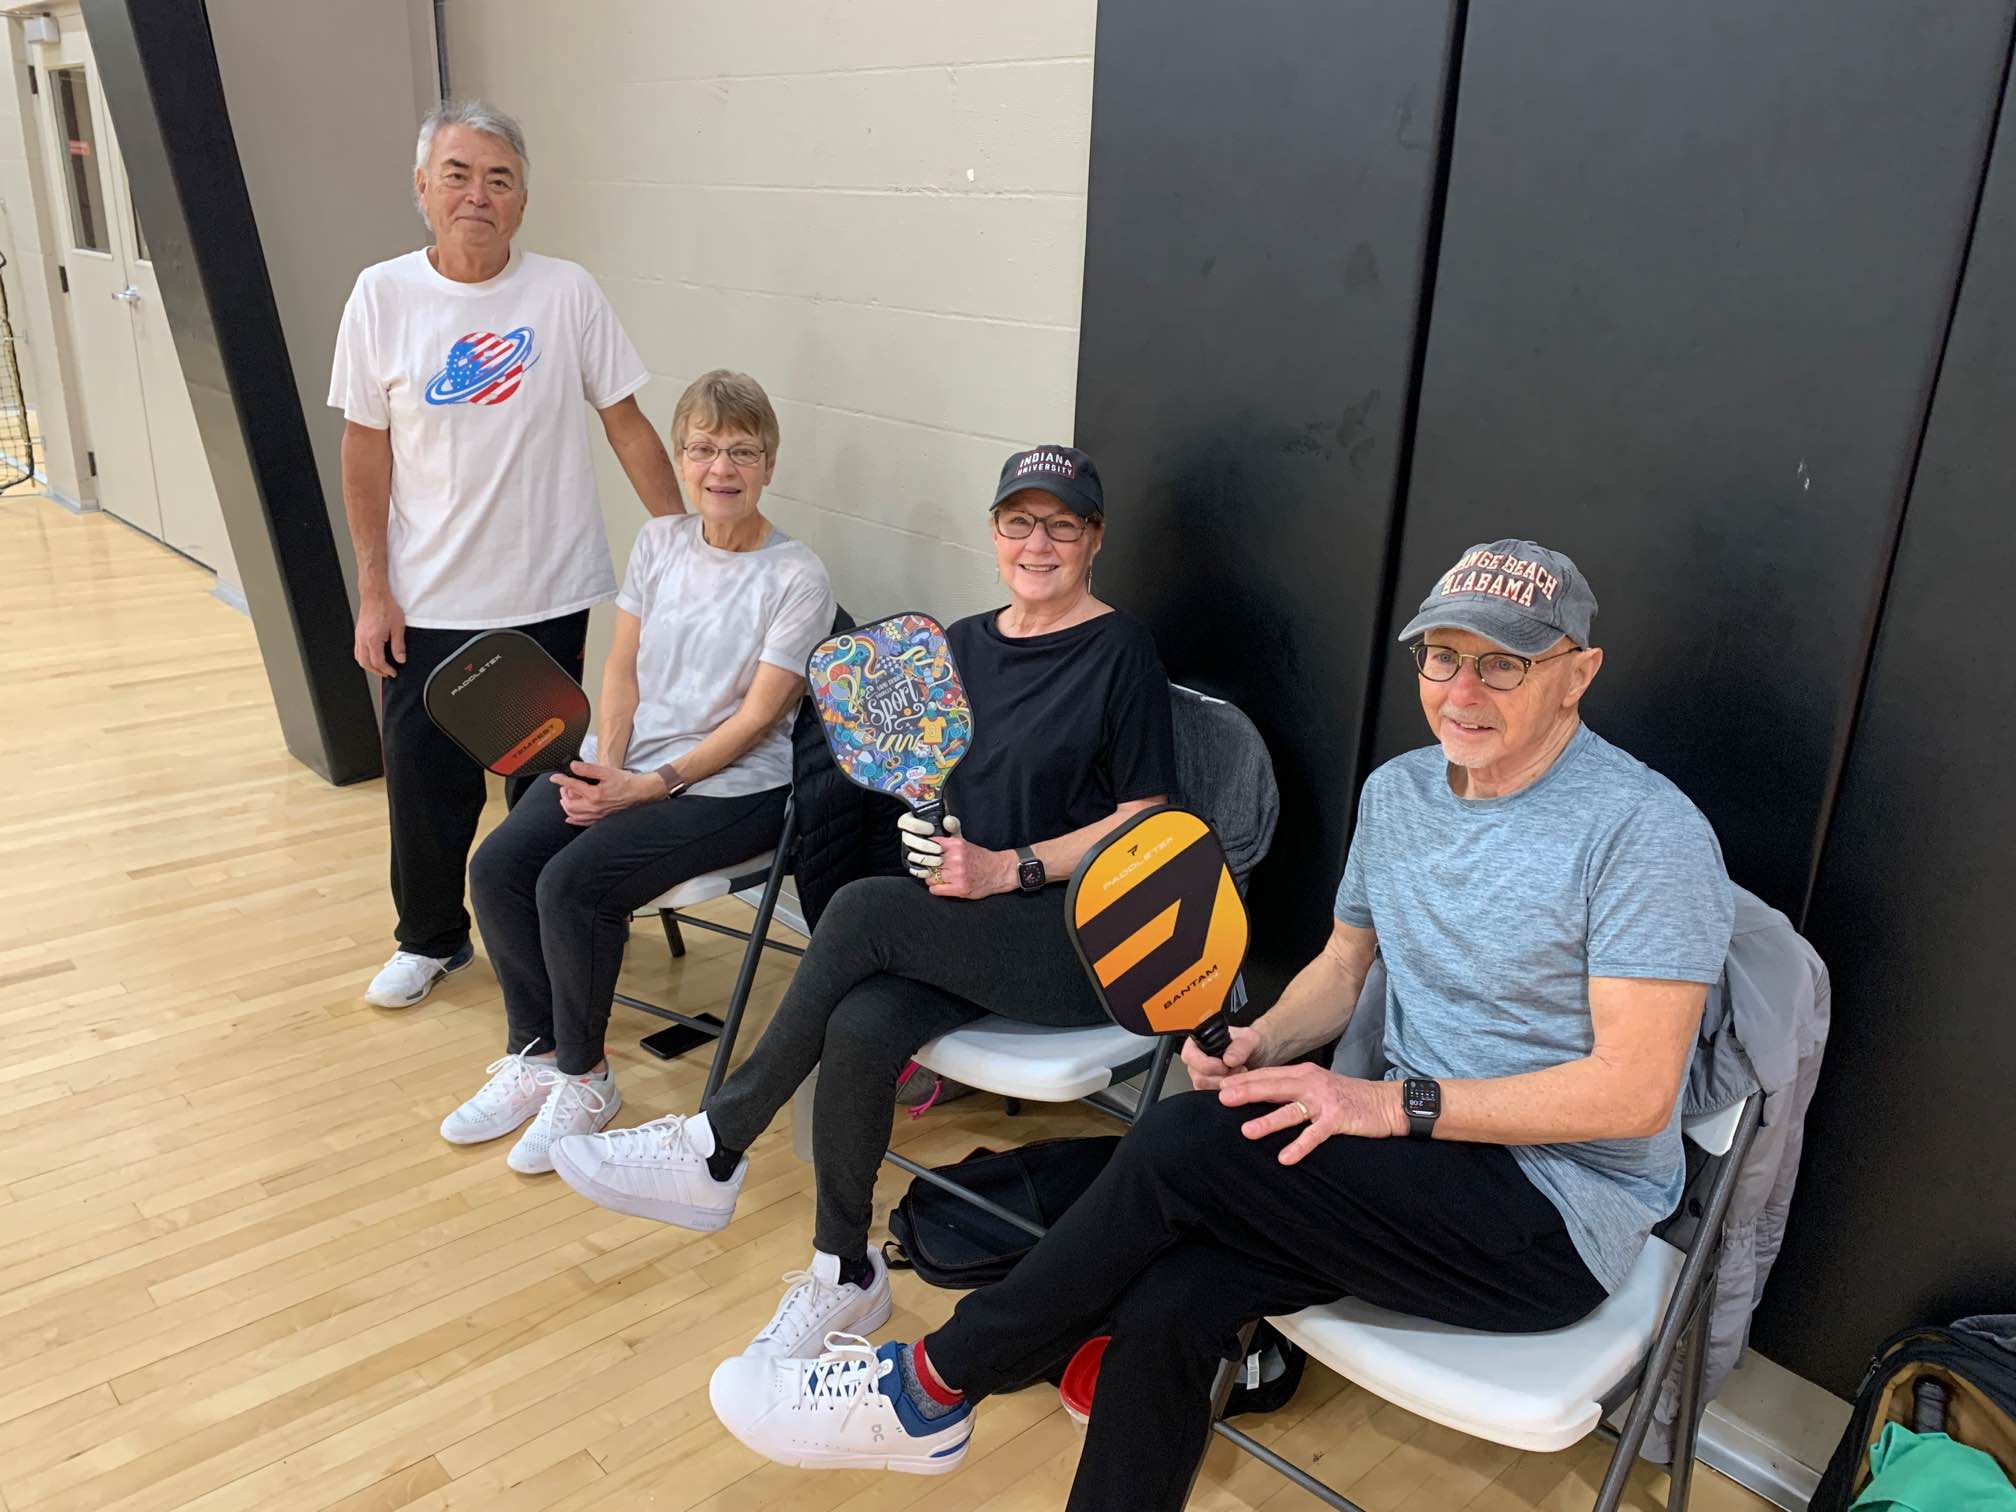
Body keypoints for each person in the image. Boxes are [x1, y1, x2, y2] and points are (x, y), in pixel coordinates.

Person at [706, 538, 1737, 1509]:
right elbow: (1341, 970)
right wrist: (1267, 1043)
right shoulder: (1404, 793)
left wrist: (1383, 1104)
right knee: (1172, 1298)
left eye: (1503, 665)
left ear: (1579, 672)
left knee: (1180, 1144)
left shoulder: (1645, 833)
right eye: (1442, 655)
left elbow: (1633, 1092)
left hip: (1554, 1216)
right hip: (1409, 1168)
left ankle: (934, 1385)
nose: (1461, 691)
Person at [550, 445, 1179, 1359]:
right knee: (861, 1025)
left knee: (861, 912)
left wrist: (1011, 868)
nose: (1036, 543)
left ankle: (718, 1142)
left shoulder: (1119, 648)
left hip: (1080, 939)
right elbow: (937, 788)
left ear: (1094, 540)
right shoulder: (957, 645)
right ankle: (843, 1270)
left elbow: (1144, 821)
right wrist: (938, 839)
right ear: (994, 531)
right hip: (977, 927)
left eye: (1062, 525)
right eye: (1018, 521)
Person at [329, 99, 684, 1010]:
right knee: (426, 786)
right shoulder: (382, 294)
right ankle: (432, 939)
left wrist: (685, 544)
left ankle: (541, 930)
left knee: (544, 791)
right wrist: (374, 587)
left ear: (523, 200)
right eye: (458, 175)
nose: (477, 195)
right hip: (427, 596)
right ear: (422, 190)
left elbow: (628, 423)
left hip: (544, 592)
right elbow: (364, 449)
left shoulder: (565, 292)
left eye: (499, 179)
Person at [440, 371, 832, 1173]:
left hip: (737, 789)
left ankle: (587, 1081)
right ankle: (541, 1053)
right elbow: (620, 671)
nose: (720, 468)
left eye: (741, 452)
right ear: (681, 459)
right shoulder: (659, 543)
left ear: (769, 465)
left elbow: (758, 719)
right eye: (702, 449)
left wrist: (649, 788)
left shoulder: (799, 577)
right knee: (500, 867)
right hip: (631, 764)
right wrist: (606, 768)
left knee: (572, 885)